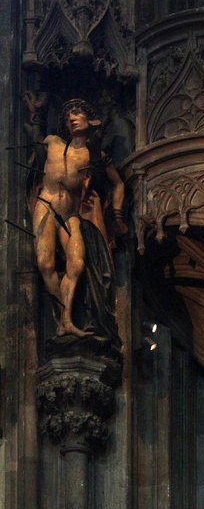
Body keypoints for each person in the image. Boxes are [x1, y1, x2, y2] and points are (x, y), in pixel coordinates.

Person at [25, 93, 125, 341]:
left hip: (71, 213)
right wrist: (36, 114)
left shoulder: (96, 155)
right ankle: (63, 318)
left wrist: (117, 215)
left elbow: (118, 183)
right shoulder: (53, 142)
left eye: (77, 113)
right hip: (46, 204)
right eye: (68, 116)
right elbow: (34, 149)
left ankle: (66, 321)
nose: (71, 118)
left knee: (78, 264)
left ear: (90, 119)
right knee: (45, 264)